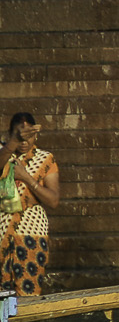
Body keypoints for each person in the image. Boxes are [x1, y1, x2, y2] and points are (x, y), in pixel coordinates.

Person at [0, 113, 59, 296]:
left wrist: (26, 177)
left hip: (32, 233)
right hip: (2, 231)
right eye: (21, 135)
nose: (25, 141)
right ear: (10, 134)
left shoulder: (45, 159)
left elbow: (53, 200)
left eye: (29, 136)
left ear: (36, 135)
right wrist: (13, 143)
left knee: (29, 293)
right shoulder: (3, 154)